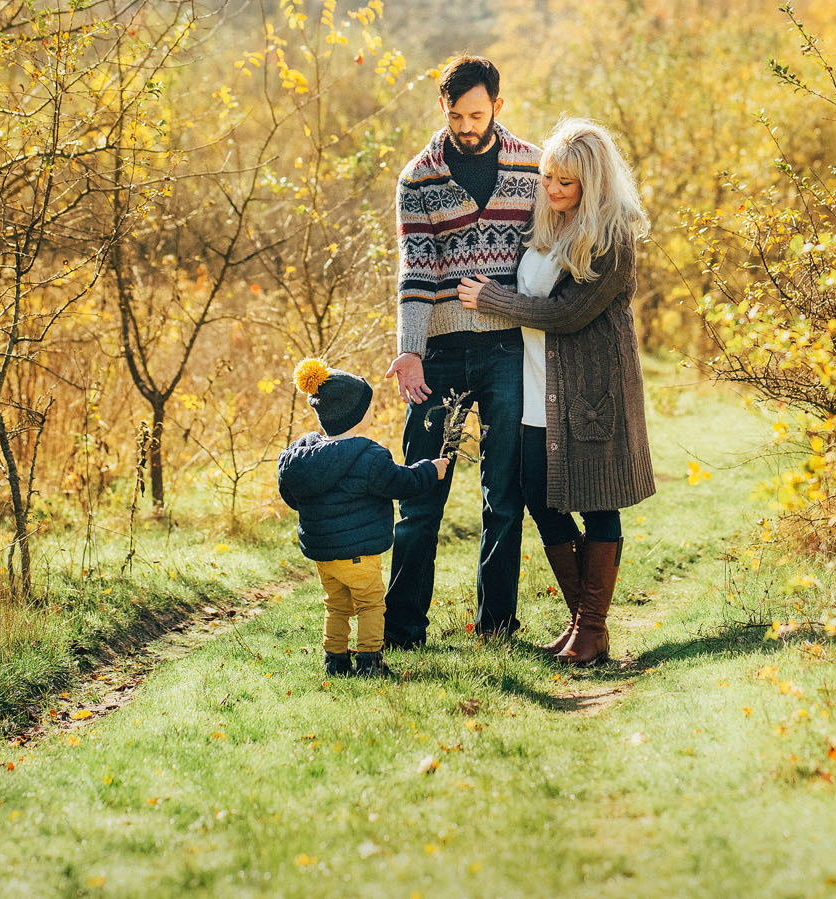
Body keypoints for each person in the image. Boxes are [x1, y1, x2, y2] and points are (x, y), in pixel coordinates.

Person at [459, 117, 655, 666]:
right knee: (539, 497)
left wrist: (494, 300)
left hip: (592, 390)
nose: (551, 189)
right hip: (538, 386)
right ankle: (583, 624)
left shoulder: (612, 236)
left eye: (565, 183)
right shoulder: (548, 225)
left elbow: (568, 315)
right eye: (547, 178)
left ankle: (591, 629)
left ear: (591, 183)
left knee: (596, 503)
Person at [383, 56, 541, 647]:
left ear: (498, 106)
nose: (466, 125)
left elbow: (541, 255)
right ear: (442, 109)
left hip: (507, 350)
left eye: (477, 114)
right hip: (442, 356)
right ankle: (402, 631)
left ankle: (496, 628)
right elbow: (416, 269)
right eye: (456, 115)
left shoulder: (530, 166)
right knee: (422, 493)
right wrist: (411, 350)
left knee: (503, 495)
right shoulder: (418, 178)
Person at [276, 358, 450, 678]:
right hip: (360, 555)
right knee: (371, 605)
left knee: (336, 605)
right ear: (356, 416)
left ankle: (335, 659)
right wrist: (430, 470)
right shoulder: (368, 456)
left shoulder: (302, 457)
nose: (372, 414)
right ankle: (370, 660)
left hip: (324, 555)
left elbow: (292, 497)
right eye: (369, 409)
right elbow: (403, 484)